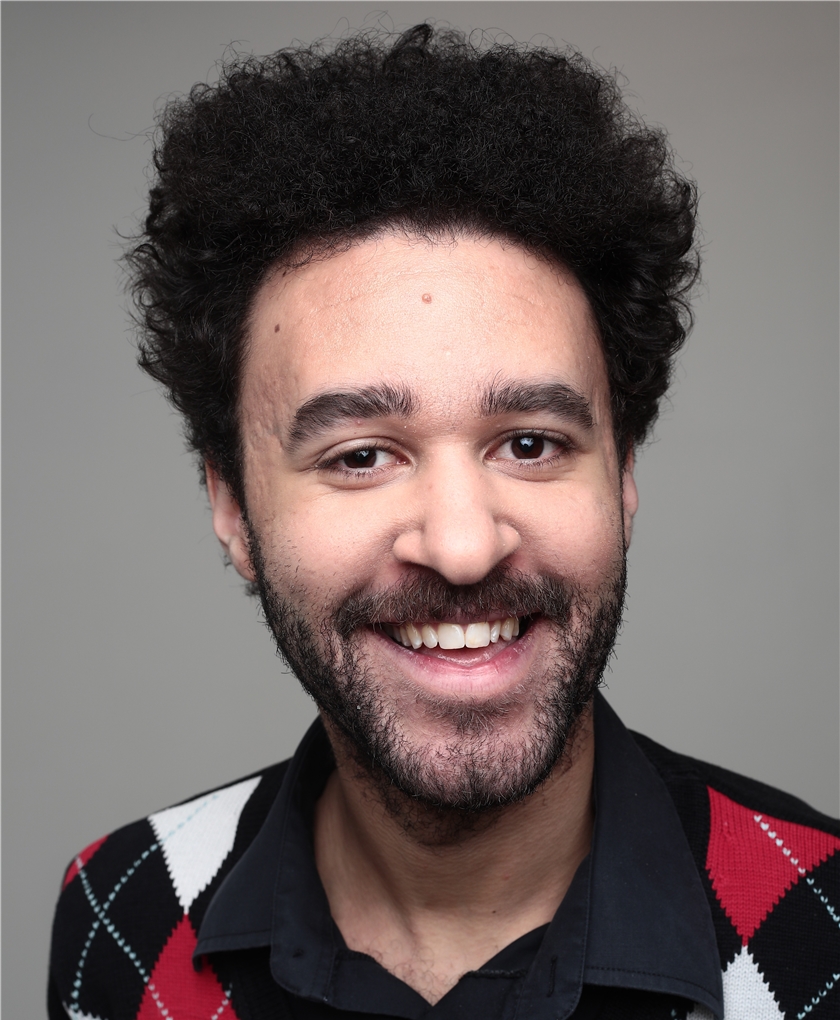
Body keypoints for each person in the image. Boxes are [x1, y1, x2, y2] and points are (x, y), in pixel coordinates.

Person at [48, 25, 839, 1020]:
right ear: (232, 508)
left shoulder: (822, 933)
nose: (463, 547)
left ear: (624, 475)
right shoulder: (124, 911)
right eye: (360, 457)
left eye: (531, 443)